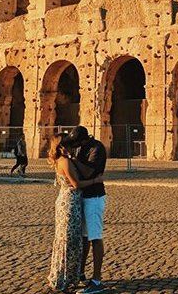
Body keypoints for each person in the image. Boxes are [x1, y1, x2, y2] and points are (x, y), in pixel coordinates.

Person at [47, 134, 103, 293]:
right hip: (70, 203)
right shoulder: (65, 161)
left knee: (67, 240)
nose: (73, 147)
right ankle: (64, 277)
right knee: (69, 241)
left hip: (68, 201)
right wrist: (95, 181)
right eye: (70, 144)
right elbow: (76, 184)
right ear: (62, 147)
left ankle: (68, 275)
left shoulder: (62, 160)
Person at [68, 126, 107, 294]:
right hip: (83, 196)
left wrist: (73, 159)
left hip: (95, 197)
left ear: (83, 140)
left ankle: (97, 280)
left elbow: (88, 172)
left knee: (95, 237)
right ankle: (81, 273)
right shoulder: (81, 148)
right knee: (84, 238)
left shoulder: (97, 148)